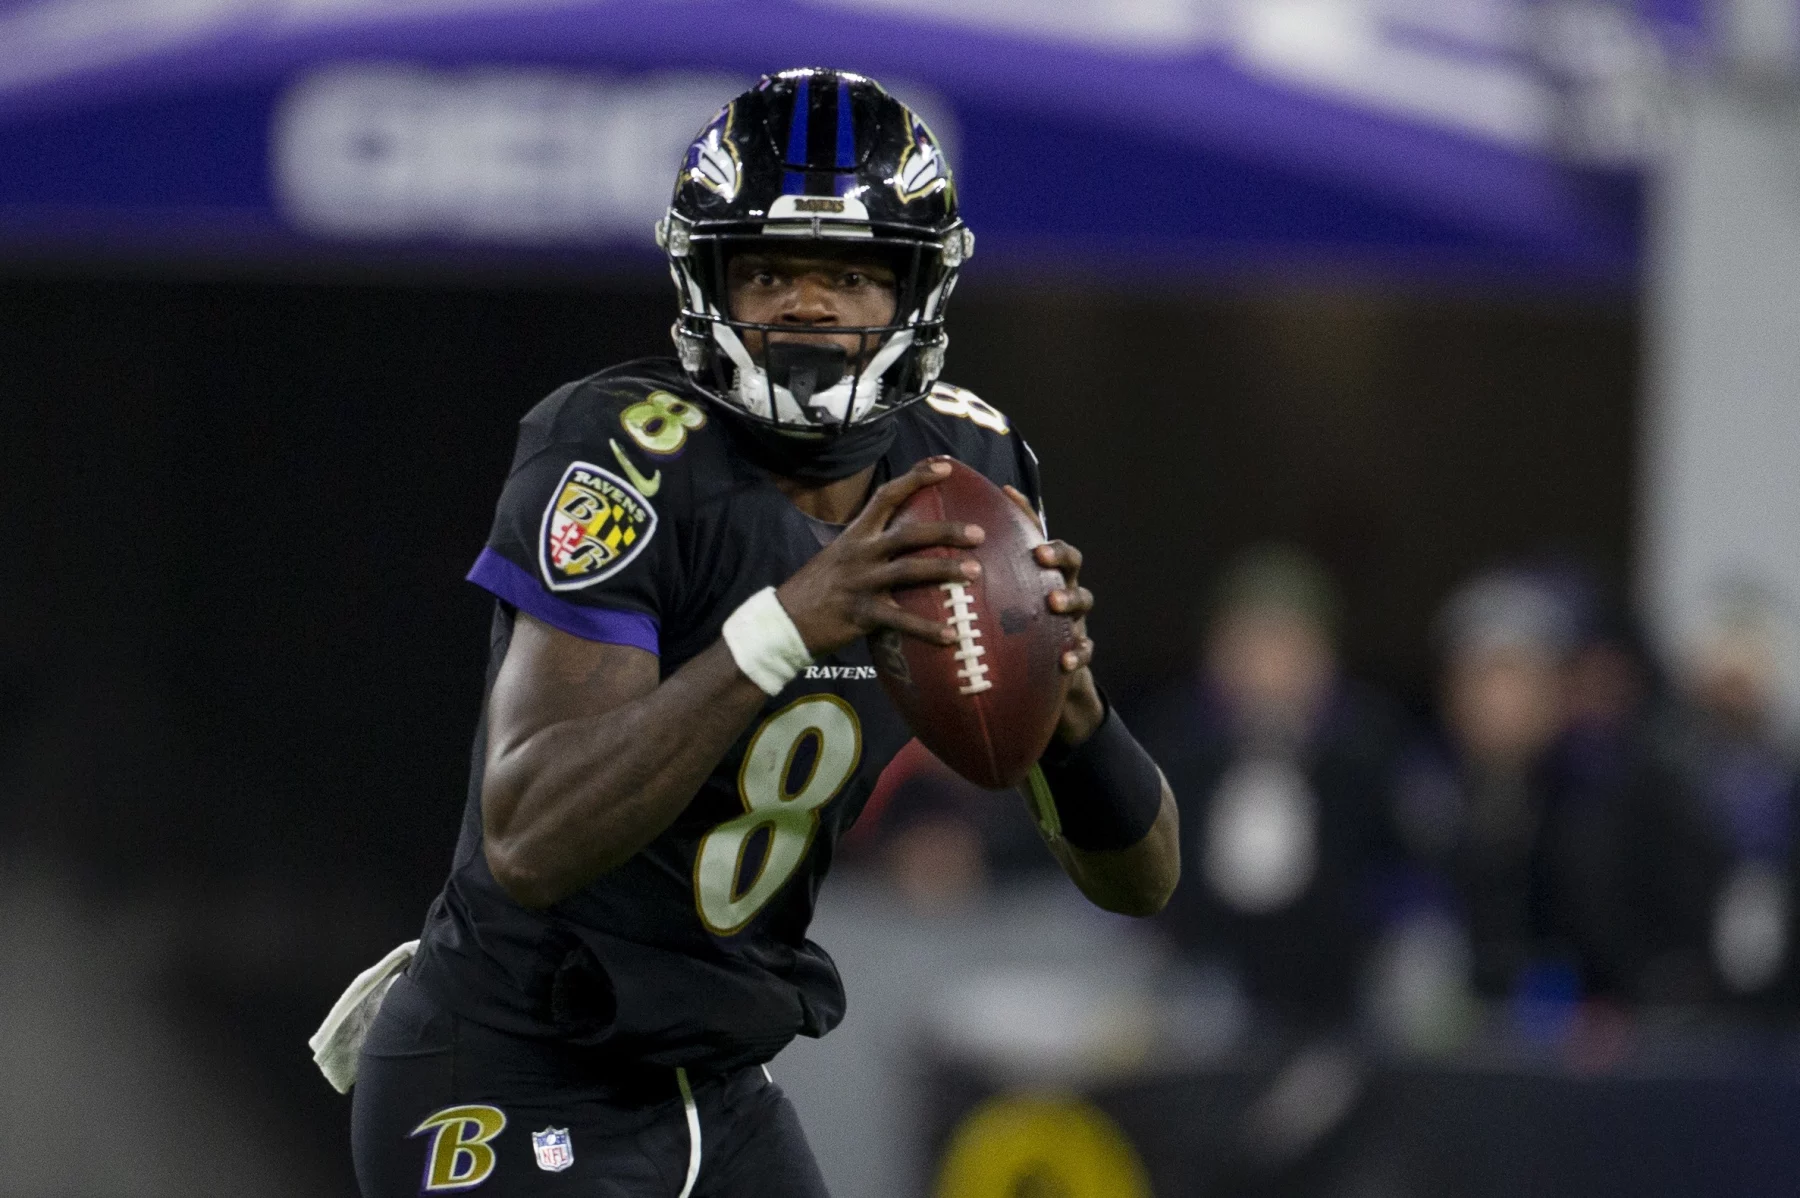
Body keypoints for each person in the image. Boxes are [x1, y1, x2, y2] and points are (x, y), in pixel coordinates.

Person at [327, 69, 1179, 1198]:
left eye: (850, 274)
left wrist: (1069, 706)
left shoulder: (966, 478)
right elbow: (528, 835)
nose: (809, 306)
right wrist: (784, 624)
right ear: (707, 279)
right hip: (515, 1065)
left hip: (719, 1090)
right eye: (771, 269)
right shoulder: (625, 453)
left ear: (917, 292)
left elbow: (1141, 880)